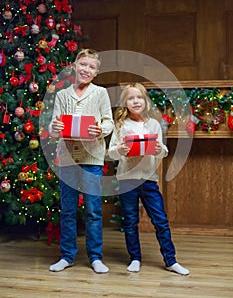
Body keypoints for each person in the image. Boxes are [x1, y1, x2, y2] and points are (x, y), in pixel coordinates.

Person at [108, 83, 189, 275]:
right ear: (125, 103)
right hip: (127, 179)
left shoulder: (153, 124)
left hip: (148, 180)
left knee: (160, 221)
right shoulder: (120, 125)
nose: (135, 101)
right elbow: (111, 153)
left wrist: (161, 150)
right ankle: (135, 258)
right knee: (130, 221)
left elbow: (162, 151)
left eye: (139, 97)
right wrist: (119, 150)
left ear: (145, 101)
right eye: (131, 98)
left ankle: (171, 260)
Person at [48, 48, 114, 273]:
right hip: (67, 159)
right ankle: (67, 256)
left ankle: (95, 257)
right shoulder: (62, 95)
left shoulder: (100, 93)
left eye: (92, 67)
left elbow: (109, 122)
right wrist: (54, 127)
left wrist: (99, 129)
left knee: (93, 209)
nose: (86, 69)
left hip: (92, 158)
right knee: (67, 210)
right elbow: (54, 125)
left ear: (96, 72)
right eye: (83, 64)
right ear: (75, 66)